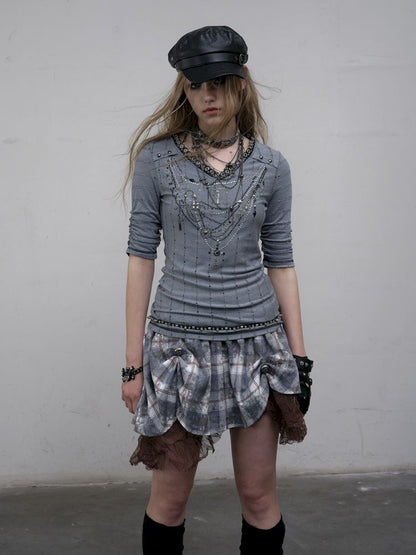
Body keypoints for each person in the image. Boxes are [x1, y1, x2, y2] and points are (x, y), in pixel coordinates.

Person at [121, 25, 313, 555]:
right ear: (183, 88)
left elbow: (282, 263)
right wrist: (133, 364)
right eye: (196, 84)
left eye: (220, 82)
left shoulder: (272, 167)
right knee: (169, 501)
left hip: (258, 347)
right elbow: (140, 258)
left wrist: (300, 360)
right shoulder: (156, 161)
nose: (208, 95)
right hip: (178, 347)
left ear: (242, 81)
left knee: (258, 495)